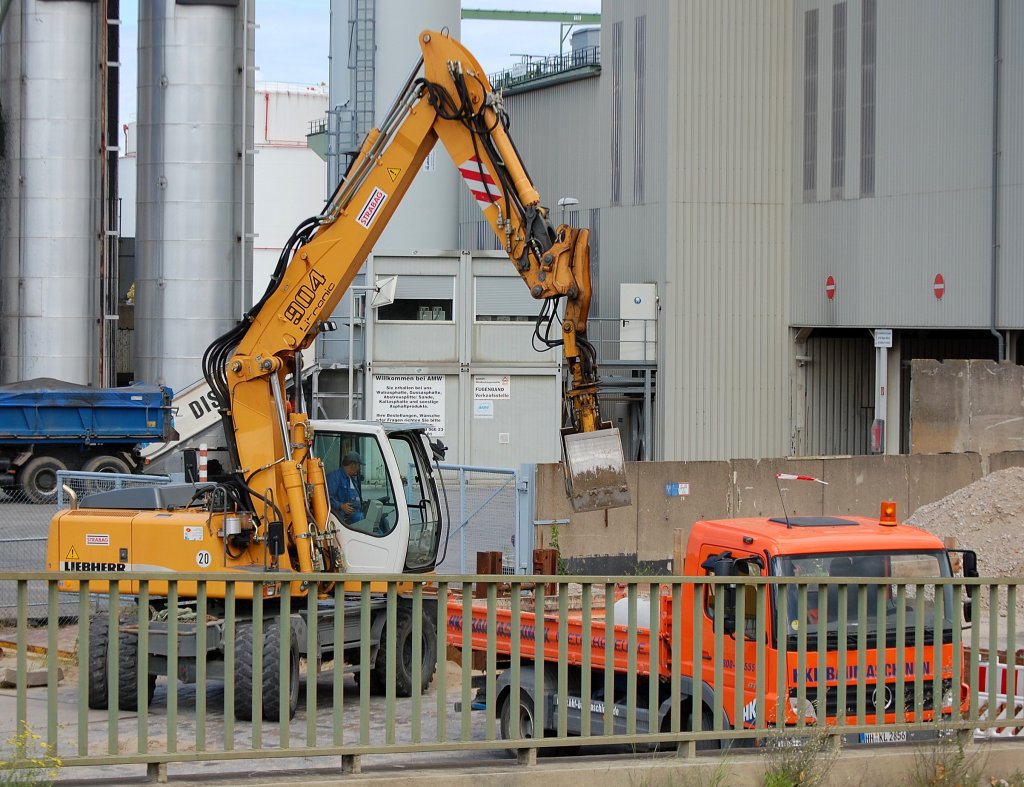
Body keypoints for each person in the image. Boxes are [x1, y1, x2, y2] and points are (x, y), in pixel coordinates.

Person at [327, 451, 364, 524]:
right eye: (358, 465)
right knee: (361, 518)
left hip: (355, 513)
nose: (359, 468)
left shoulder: (352, 479)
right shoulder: (334, 477)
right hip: (343, 517)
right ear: (353, 465)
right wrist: (341, 506)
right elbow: (328, 498)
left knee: (379, 520)